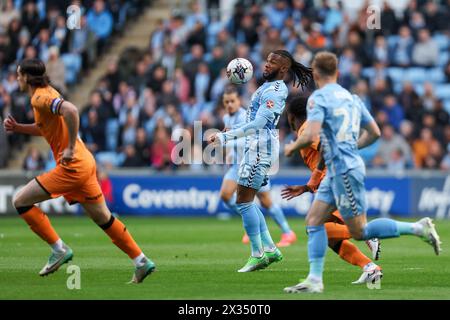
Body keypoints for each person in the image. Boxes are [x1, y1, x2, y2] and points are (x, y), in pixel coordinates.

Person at [282, 52, 441, 293]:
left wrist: (293, 146)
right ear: (337, 72)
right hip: (340, 167)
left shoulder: (317, 100)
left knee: (359, 231)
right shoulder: (352, 99)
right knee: (313, 222)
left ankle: (418, 228)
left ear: (315, 74)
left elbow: (313, 134)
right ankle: (315, 280)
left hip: (342, 171)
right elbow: (375, 132)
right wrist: (346, 148)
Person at [3, 59, 155, 283]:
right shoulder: (46, 93)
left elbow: (72, 110)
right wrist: (19, 128)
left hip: (72, 166)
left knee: (20, 201)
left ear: (26, 76)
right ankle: (141, 261)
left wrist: (70, 147)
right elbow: (45, 127)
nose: (17, 79)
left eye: (18, 75)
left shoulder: (39, 97)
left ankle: (59, 249)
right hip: (86, 162)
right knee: (104, 218)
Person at [209, 50, 313, 272]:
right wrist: (233, 129)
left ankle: (258, 253)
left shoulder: (276, 90)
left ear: (284, 69)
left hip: (260, 149)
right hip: (255, 148)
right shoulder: (267, 87)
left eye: (273, 62)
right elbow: (253, 121)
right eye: (267, 61)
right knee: (246, 201)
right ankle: (270, 249)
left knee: (244, 202)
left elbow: (259, 124)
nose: (266, 65)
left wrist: (224, 136)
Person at [282, 95, 382, 285]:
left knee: (316, 229)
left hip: (334, 181)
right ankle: (370, 268)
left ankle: (369, 233)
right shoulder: (310, 128)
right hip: (330, 180)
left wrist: (319, 176)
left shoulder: (307, 129)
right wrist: (308, 186)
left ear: (291, 116)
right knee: (329, 237)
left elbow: (328, 149)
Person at [220, 85, 297, 247]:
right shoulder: (227, 118)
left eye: (232, 101)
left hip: (253, 162)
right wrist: (230, 153)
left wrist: (228, 139)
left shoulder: (245, 117)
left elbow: (251, 138)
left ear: (238, 100)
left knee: (266, 201)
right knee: (226, 195)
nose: (229, 105)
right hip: (237, 165)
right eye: (226, 102)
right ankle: (253, 224)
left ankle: (287, 232)